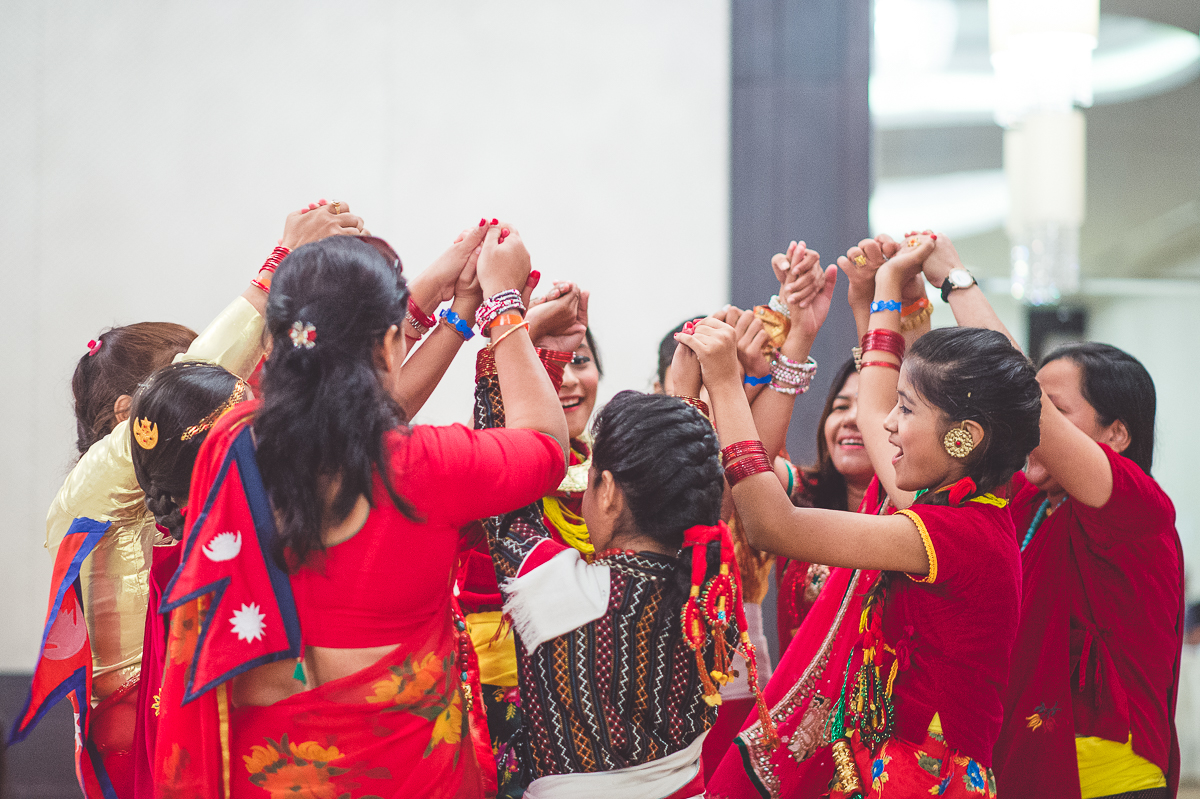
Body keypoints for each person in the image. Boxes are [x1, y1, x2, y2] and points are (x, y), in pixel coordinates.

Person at [153, 223, 569, 799]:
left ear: (274, 343)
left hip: (266, 778)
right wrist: (502, 306)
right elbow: (546, 445)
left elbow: (340, 413)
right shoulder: (427, 468)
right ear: (389, 345)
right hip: (406, 779)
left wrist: (443, 312)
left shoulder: (230, 448)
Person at [11, 202, 362, 798]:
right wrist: (277, 264)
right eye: (183, 394)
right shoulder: (89, 495)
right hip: (144, 744)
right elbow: (200, 383)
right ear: (130, 415)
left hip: (201, 717)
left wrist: (434, 313)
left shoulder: (203, 486)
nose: (213, 408)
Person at [684, 234, 1041, 797]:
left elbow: (774, 525)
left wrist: (726, 384)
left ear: (964, 437)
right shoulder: (949, 503)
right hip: (892, 766)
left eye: (908, 409)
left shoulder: (953, 532)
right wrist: (881, 293)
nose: (887, 423)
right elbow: (873, 410)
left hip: (922, 779)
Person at [919, 233, 1184, 799]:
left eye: (1055, 411)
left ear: (1116, 435)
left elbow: (1016, 394)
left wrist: (957, 282)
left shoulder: (1137, 509)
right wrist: (895, 312)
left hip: (1108, 782)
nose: (1030, 423)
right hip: (1026, 769)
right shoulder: (1028, 500)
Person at [476, 383, 761, 798]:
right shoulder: (712, 603)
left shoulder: (563, 590)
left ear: (607, 491)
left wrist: (498, 361)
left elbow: (502, 494)